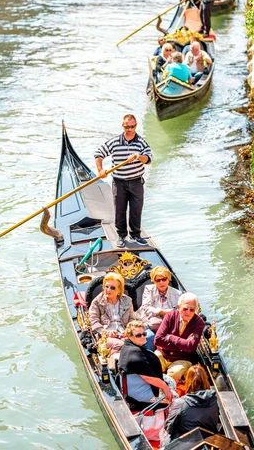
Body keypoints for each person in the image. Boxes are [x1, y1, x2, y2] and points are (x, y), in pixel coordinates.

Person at [94, 114, 152, 248]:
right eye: (127, 126)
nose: (129, 129)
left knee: (136, 209)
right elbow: (99, 154)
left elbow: (148, 159)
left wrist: (138, 156)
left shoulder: (141, 142)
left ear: (136, 126)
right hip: (119, 183)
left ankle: (136, 235)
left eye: (132, 126)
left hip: (136, 182)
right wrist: (100, 170)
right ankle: (121, 236)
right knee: (120, 209)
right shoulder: (114, 142)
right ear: (123, 126)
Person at [160, 364, 219, 445]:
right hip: (208, 441)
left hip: (186, 444)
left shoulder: (179, 403)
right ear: (205, 380)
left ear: (187, 381)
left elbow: (169, 427)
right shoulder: (216, 399)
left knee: (163, 433)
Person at [118, 320, 174, 404]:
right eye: (138, 335)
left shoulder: (127, 346)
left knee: (171, 381)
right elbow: (147, 377)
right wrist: (165, 387)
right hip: (142, 395)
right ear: (129, 336)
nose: (142, 337)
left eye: (144, 334)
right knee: (174, 394)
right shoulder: (135, 353)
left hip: (135, 385)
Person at [154, 292, 205, 382]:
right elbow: (158, 340)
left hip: (183, 359)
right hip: (163, 354)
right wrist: (182, 346)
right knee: (149, 365)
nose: (188, 312)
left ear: (196, 310)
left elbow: (191, 347)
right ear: (178, 307)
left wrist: (170, 337)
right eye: (185, 309)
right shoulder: (170, 316)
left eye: (192, 310)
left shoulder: (199, 322)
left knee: (173, 375)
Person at [136, 266, 182, 351]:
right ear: (154, 281)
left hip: (169, 326)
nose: (161, 282)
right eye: (158, 280)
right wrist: (162, 312)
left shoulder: (177, 294)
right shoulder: (149, 290)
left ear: (168, 279)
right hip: (150, 323)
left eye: (164, 279)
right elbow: (146, 307)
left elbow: (179, 312)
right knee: (149, 337)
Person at [89, 272, 134, 357]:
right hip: (105, 335)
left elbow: (132, 320)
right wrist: (106, 333)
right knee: (121, 344)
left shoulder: (127, 300)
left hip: (123, 332)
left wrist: (127, 331)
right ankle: (114, 362)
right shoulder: (97, 301)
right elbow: (94, 322)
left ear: (119, 290)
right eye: (106, 286)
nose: (108, 290)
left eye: (112, 288)